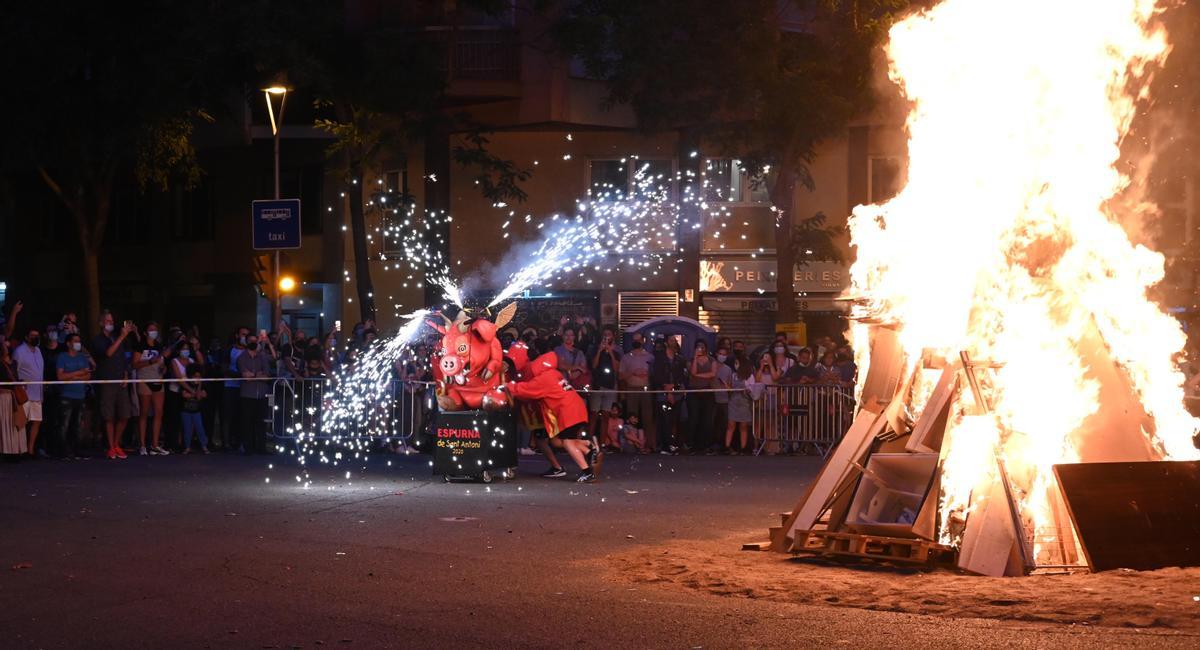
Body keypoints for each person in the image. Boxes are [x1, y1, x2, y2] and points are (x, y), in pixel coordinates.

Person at [503, 350, 602, 483]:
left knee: (567, 442)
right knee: (562, 441)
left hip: (568, 412)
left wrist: (507, 386)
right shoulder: (553, 373)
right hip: (576, 408)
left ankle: (587, 472)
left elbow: (525, 389)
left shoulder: (542, 380)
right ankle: (589, 448)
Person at [91, 311, 136, 460]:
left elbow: (123, 359)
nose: (111, 323)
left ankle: (117, 443)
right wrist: (122, 336)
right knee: (108, 416)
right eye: (107, 321)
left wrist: (125, 374)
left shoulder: (117, 338)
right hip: (107, 382)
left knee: (125, 414)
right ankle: (111, 447)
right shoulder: (98, 340)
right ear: (101, 323)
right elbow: (108, 353)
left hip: (120, 381)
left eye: (112, 320)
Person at [133, 321, 170, 456]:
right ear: (145, 332)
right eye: (151, 329)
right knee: (144, 411)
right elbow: (134, 364)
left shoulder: (159, 346)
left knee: (159, 412)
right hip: (144, 380)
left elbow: (162, 363)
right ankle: (142, 445)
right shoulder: (140, 346)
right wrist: (149, 361)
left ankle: (155, 444)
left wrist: (163, 367)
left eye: (155, 329)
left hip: (158, 380)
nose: (154, 332)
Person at [54, 333, 92, 459]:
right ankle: (63, 451)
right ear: (68, 343)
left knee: (77, 425)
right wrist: (78, 373)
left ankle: (76, 450)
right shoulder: (62, 357)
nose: (78, 343)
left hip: (80, 395)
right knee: (64, 424)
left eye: (79, 341)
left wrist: (71, 376)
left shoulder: (82, 357)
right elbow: (60, 377)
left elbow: (88, 376)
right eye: (75, 341)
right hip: (66, 395)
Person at [13, 326, 47, 457]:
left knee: (36, 421)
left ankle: (30, 449)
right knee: (23, 422)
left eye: (37, 335)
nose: (35, 338)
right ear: (26, 337)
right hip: (25, 392)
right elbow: (15, 370)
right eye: (32, 335)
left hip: (37, 392)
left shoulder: (38, 351)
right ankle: (19, 449)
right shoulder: (20, 351)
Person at [236, 332, 272, 454]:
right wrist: (258, 374)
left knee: (261, 422)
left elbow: (267, 376)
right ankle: (248, 447)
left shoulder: (263, 357)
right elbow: (245, 376)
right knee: (247, 422)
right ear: (246, 343)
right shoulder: (241, 357)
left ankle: (261, 447)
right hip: (247, 394)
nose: (253, 343)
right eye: (250, 341)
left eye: (255, 341)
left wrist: (254, 375)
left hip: (261, 394)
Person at [618, 332, 654, 450]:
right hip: (631, 389)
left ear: (643, 341)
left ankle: (648, 445)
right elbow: (621, 375)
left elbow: (655, 374)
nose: (636, 341)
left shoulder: (650, 357)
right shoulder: (626, 357)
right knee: (632, 417)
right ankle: (632, 444)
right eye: (634, 340)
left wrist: (647, 374)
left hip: (646, 390)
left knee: (647, 417)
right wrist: (633, 373)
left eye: (638, 339)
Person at [650, 337, 686, 454]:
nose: (674, 342)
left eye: (675, 340)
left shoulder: (680, 359)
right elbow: (656, 376)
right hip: (662, 392)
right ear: (666, 343)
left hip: (677, 393)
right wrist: (666, 388)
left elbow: (681, 376)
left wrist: (674, 386)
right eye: (671, 340)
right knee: (664, 419)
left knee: (674, 419)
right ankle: (665, 445)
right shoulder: (659, 359)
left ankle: (673, 443)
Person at [587, 325, 621, 440]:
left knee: (606, 415)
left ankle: (602, 442)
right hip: (597, 385)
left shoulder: (616, 352)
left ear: (612, 337)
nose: (607, 337)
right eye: (605, 335)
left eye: (609, 335)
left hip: (610, 386)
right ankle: (590, 441)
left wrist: (610, 352)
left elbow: (617, 368)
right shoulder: (595, 349)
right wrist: (599, 351)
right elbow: (594, 365)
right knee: (594, 414)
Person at [221, 327, 249, 452]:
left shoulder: (250, 350)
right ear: (237, 335)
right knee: (228, 416)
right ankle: (226, 443)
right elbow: (224, 369)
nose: (245, 337)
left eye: (247, 335)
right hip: (230, 386)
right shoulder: (229, 349)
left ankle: (239, 442)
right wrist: (240, 375)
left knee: (241, 415)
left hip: (245, 387)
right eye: (243, 334)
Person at [687, 339, 717, 454]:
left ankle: (706, 445)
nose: (701, 348)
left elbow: (712, 374)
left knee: (707, 420)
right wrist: (695, 357)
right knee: (694, 418)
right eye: (698, 346)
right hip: (694, 392)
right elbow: (692, 372)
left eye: (702, 346)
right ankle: (693, 445)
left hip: (707, 391)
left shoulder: (711, 360)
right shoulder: (690, 360)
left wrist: (698, 375)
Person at [0, 340, 27, 457]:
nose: (7, 347)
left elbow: (15, 377)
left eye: (7, 345)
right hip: (3, 396)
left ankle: (14, 450)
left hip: (13, 396)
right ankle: (4, 450)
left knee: (15, 422)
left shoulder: (14, 363)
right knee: (4, 423)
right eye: (4, 346)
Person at [725, 355, 755, 454]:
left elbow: (752, 390)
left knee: (743, 426)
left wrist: (747, 390)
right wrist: (727, 387)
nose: (735, 365)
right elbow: (730, 389)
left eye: (737, 363)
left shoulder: (750, 376)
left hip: (744, 403)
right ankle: (727, 447)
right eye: (735, 363)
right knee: (731, 425)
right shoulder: (733, 375)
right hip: (733, 402)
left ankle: (743, 448)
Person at [180, 364, 209, 454]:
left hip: (197, 412)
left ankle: (204, 446)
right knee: (187, 429)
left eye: (199, 377)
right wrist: (195, 394)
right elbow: (185, 395)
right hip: (186, 411)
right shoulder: (186, 384)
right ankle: (187, 447)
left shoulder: (202, 385)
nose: (197, 378)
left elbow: (201, 397)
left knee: (200, 428)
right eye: (195, 376)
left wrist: (199, 386)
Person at [712, 343, 733, 453]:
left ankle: (722, 445)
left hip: (725, 399)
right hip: (713, 399)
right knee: (712, 422)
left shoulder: (728, 369)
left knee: (724, 423)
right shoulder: (712, 365)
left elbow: (730, 384)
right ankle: (713, 444)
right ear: (716, 354)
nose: (722, 356)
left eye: (724, 354)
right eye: (720, 354)